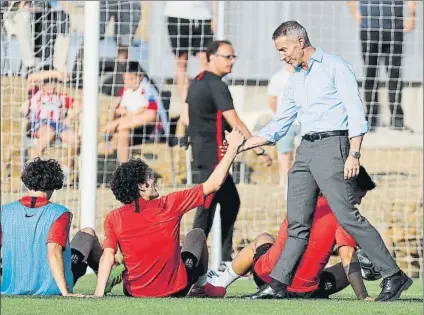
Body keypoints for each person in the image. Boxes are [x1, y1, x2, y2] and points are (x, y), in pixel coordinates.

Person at [236, 21, 412, 301]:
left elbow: (355, 110)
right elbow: (280, 124)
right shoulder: (295, 80)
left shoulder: (335, 66)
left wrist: (354, 152)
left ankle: (394, 275)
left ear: (299, 42)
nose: (282, 56)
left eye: (283, 49)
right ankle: (277, 284)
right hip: (305, 149)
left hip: (334, 146)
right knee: (297, 224)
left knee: (347, 217)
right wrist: (244, 145)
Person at [91, 126, 245, 298]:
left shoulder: (113, 217)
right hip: (175, 290)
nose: (153, 179)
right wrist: (232, 149)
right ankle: (202, 287)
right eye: (149, 176)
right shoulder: (169, 203)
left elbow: (108, 255)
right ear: (142, 186)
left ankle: (120, 276)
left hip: (135, 292)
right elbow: (214, 184)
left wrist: (98, 292)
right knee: (197, 234)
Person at [194, 166, 375, 300]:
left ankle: (220, 283)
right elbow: (347, 254)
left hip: (266, 280)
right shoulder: (345, 217)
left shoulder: (303, 203)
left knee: (264, 239)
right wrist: (362, 296)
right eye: (359, 196)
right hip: (305, 292)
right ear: (347, 189)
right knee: (353, 261)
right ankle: (366, 270)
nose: (358, 202)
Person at [186, 40, 272, 271]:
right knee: (207, 207)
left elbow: (192, 117)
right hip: (214, 157)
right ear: (211, 57)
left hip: (203, 153)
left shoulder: (198, 82)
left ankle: (220, 257)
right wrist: (259, 149)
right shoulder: (216, 85)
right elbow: (235, 122)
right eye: (227, 56)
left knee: (228, 202)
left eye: (234, 57)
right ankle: (191, 260)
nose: (231, 61)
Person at [0, 158, 121, 296]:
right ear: (56, 181)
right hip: (52, 289)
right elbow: (54, 250)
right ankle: (107, 279)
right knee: (88, 233)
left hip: (10, 289)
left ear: (27, 181)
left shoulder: (4, 211)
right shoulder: (59, 212)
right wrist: (66, 293)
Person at [347, 1, 417, 131]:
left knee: (394, 74)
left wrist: (412, 15)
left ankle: (397, 120)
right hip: (369, 29)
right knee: (370, 74)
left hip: (394, 28)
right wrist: (356, 14)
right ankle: (371, 119)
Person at [21, 69, 80, 183]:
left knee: (75, 140)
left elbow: (77, 105)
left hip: (58, 124)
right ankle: (31, 168)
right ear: (42, 84)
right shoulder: (35, 93)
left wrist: (69, 117)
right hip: (38, 122)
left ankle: (65, 174)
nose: (51, 85)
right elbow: (31, 78)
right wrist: (57, 74)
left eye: (54, 83)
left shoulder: (61, 96)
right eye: (48, 82)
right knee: (48, 132)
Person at [164, 0, 216, 126]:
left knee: (204, 60)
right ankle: (185, 107)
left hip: (203, 15)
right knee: (181, 61)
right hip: (177, 14)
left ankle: (203, 103)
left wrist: (215, 14)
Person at [103, 61, 161, 164]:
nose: (127, 82)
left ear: (140, 77)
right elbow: (118, 109)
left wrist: (128, 114)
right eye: (125, 80)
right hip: (128, 126)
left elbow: (150, 111)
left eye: (131, 79)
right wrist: (123, 113)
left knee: (150, 114)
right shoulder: (125, 91)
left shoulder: (147, 89)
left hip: (144, 128)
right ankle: (124, 166)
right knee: (123, 130)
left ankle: (114, 127)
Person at [3, 1, 71, 74]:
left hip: (43, 11)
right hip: (15, 13)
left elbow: (59, 5)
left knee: (64, 19)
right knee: (23, 18)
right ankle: (30, 67)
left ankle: (58, 69)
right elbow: (14, 6)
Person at [267, 62, 298, 194]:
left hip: (304, 123)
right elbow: (272, 99)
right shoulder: (278, 77)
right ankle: (285, 183)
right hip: (286, 123)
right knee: (285, 153)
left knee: (302, 154)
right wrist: (280, 117)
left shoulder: (305, 74)